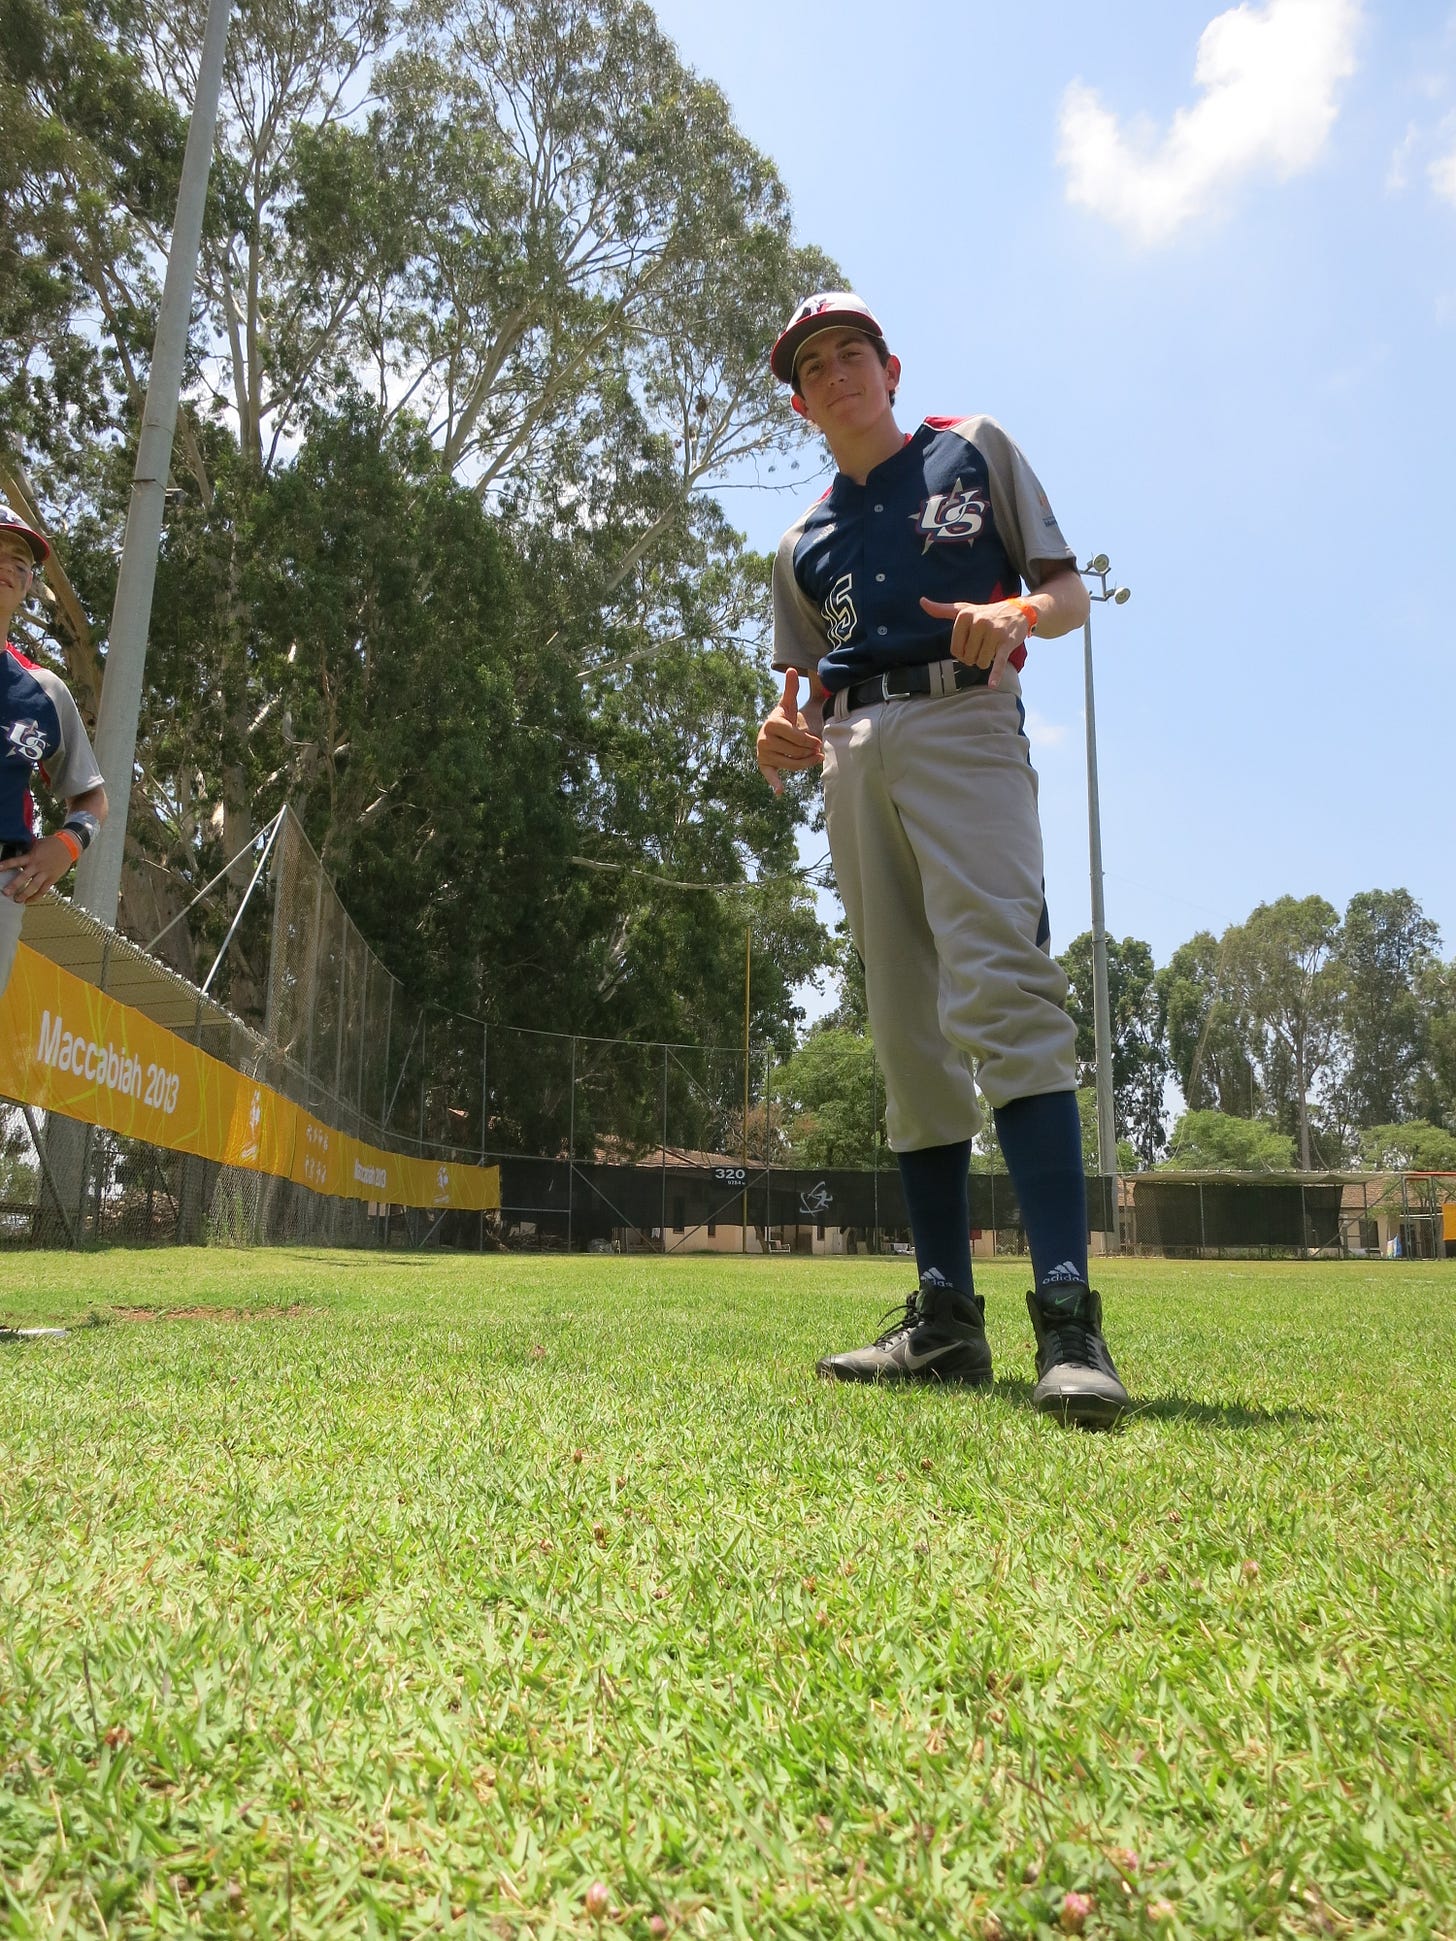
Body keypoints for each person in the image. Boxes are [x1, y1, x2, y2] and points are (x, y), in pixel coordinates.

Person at [756, 293, 1128, 1427]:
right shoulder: (800, 544)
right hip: (852, 754)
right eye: (813, 367)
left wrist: (1017, 612)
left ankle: (1066, 1317)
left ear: (890, 367)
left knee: (1003, 992)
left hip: (966, 717)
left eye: (851, 353)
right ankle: (944, 1319)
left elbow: (1068, 593)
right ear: (800, 403)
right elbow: (802, 695)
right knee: (903, 1027)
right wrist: (783, 738)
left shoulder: (973, 448)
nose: (835, 373)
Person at [0, 502, 107, 1000]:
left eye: (20, 561)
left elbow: (92, 798)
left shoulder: (44, 691)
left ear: (27, 584)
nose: (8, 565)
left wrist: (67, 846)